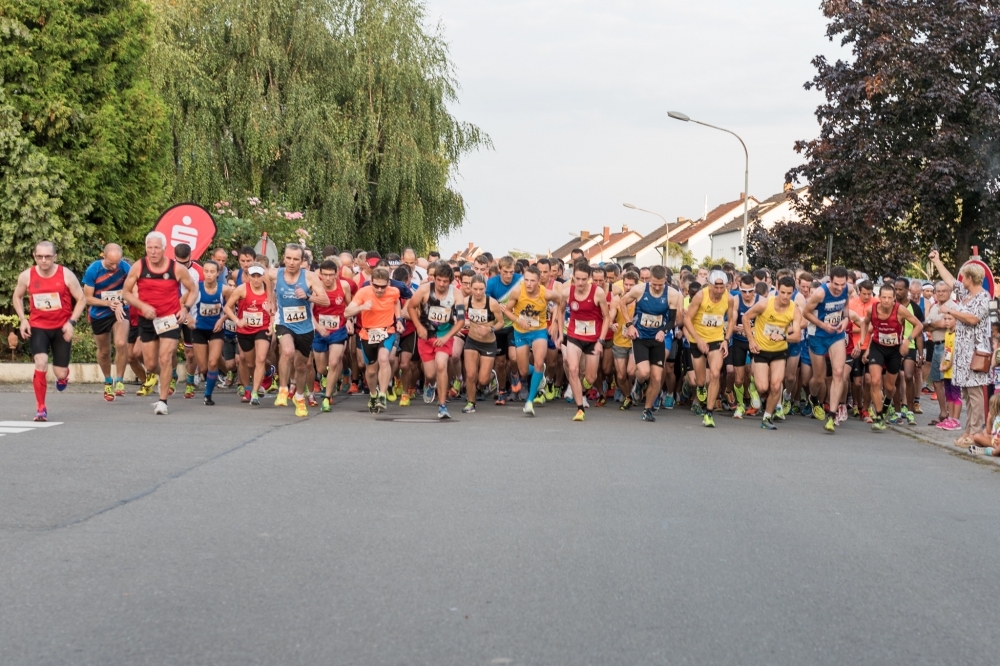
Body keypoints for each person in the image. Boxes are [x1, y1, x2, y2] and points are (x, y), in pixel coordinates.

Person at [122, 232, 198, 415]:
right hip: (147, 319)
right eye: (149, 247)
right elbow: (126, 292)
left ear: (164, 249)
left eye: (156, 247)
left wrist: (185, 308)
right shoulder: (139, 266)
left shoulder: (176, 268)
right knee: (150, 364)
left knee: (165, 358)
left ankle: (162, 401)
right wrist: (142, 306)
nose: (153, 251)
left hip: (170, 318)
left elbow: (193, 289)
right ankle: (167, 375)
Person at [11, 241, 86, 422]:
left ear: (55, 257)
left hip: (61, 327)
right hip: (39, 327)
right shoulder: (27, 276)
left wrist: (71, 322)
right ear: (34, 256)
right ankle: (41, 408)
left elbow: (81, 298)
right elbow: (17, 296)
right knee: (41, 362)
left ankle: (63, 377)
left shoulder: (66, 275)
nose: (43, 261)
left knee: (60, 372)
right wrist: (23, 319)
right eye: (39, 257)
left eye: (48, 257)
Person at [929, 250, 991, 446]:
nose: (960, 279)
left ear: (970, 278)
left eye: (964, 276)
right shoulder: (966, 293)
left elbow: (973, 319)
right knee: (966, 392)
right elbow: (949, 281)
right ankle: (968, 429)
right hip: (962, 351)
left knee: (974, 393)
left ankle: (975, 432)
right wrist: (937, 260)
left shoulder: (983, 296)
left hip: (975, 350)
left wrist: (950, 310)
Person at [269, 243, 330, 417]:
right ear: (284, 258)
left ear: (302, 260)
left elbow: (325, 300)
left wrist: (308, 296)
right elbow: (267, 278)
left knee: (302, 366)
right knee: (287, 352)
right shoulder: (275, 273)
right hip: (284, 322)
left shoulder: (310, 277)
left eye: (296, 259)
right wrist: (270, 300)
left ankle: (300, 397)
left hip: (305, 326)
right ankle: (282, 389)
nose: (291, 262)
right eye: (288, 258)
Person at [620, 265, 682, 422]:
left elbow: (672, 320)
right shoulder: (640, 289)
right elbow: (622, 303)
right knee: (644, 372)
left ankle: (647, 409)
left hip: (657, 339)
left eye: (660, 284)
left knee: (656, 377)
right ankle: (639, 384)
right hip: (640, 337)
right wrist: (629, 325)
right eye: (654, 284)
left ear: (665, 281)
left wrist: (664, 331)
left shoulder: (672, 294)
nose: (656, 287)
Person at [859, 284, 924, 431]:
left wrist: (907, 340)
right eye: (884, 297)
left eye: (890, 297)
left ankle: (888, 401)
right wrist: (862, 340)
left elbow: (919, 325)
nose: (887, 301)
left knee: (889, 387)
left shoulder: (900, 310)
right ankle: (879, 415)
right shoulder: (873, 309)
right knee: (875, 381)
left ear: (894, 298)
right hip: (877, 347)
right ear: (879, 297)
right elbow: (865, 323)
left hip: (895, 351)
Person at [500, 265, 563, 416]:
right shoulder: (517, 291)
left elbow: (561, 302)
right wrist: (518, 320)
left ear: (538, 281)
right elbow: (507, 311)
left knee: (539, 362)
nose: (528, 284)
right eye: (526, 280)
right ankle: (538, 374)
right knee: (523, 370)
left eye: (532, 281)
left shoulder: (546, 294)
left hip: (538, 331)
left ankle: (529, 401)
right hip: (521, 332)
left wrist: (555, 323)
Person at [743, 275, 802, 429]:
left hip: (779, 352)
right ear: (777, 288)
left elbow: (797, 336)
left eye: (789, 293)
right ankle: (754, 385)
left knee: (776, 386)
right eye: (782, 292)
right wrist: (751, 340)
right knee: (763, 387)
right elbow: (746, 318)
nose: (785, 296)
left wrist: (782, 336)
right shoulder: (765, 304)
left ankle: (767, 417)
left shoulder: (794, 309)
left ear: (793, 292)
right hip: (761, 349)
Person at [408, 263, 465, 420]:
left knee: (441, 365)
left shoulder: (457, 294)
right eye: (439, 280)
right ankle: (431, 384)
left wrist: (447, 337)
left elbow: (460, 320)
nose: (441, 284)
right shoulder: (425, 290)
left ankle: (442, 406)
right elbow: (411, 307)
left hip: (444, 336)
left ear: (451, 281)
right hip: (426, 337)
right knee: (430, 374)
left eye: (445, 281)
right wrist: (418, 326)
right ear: (434, 278)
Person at [344, 267, 403, 414]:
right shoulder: (363, 293)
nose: (379, 290)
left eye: (383, 286)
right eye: (376, 286)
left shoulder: (394, 292)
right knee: (370, 371)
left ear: (388, 283)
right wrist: (362, 307)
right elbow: (346, 312)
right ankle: (373, 394)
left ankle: (382, 395)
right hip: (367, 334)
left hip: (387, 331)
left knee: (384, 359)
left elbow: (396, 302)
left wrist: (399, 319)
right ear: (371, 283)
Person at [802, 266, 850, 433]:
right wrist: (823, 325)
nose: (839, 288)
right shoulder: (820, 293)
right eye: (836, 284)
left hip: (836, 334)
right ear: (830, 280)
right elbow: (806, 313)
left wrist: (845, 319)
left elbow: (846, 306)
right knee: (819, 378)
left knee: (838, 371)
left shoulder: (847, 289)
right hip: (818, 335)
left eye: (842, 284)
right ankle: (813, 397)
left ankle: (831, 416)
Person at [561, 262, 611, 422]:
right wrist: (558, 327)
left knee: (590, 377)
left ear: (589, 278)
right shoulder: (567, 292)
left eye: (583, 279)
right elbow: (560, 309)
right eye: (577, 279)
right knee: (573, 369)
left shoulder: (598, 293)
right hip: (574, 336)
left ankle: (580, 389)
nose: (580, 283)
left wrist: (600, 341)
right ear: (572, 277)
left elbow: (607, 317)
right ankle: (579, 408)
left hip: (593, 339)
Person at [82, 243, 131, 402]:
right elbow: (87, 298)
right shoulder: (93, 270)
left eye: (117, 263)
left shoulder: (125, 268)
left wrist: (121, 302)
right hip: (100, 313)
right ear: (103, 255)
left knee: (121, 342)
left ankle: (120, 380)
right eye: (111, 263)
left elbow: (133, 290)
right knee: (104, 351)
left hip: (120, 310)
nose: (114, 266)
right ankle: (108, 380)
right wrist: (109, 303)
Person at [684, 270, 731, 427]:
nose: (719, 291)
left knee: (716, 373)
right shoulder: (700, 296)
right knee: (701, 380)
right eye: (716, 287)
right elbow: (687, 318)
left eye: (722, 287)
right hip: (697, 339)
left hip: (716, 339)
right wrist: (697, 339)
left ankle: (709, 413)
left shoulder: (729, 298)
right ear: (710, 285)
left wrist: (726, 340)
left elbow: (732, 320)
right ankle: (700, 386)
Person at [223, 263, 271, 405]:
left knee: (261, 359)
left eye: (259, 276)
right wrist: (237, 321)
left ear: (263, 276)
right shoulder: (242, 289)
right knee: (250, 363)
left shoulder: (269, 291)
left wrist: (272, 325)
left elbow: (274, 309)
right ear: (248, 276)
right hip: (245, 330)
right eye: (253, 276)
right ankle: (251, 386)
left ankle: (255, 392)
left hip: (262, 328)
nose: (256, 279)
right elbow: (227, 307)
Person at [311, 258, 353, 412]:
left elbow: (349, 306)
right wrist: (317, 326)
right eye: (325, 275)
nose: (328, 278)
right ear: (320, 275)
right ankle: (326, 378)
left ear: (337, 274)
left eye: (331, 275)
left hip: (338, 330)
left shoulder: (344, 286)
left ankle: (327, 398)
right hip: (319, 331)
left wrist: (349, 320)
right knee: (322, 368)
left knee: (334, 362)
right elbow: (308, 311)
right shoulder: (314, 288)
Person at [461, 274, 505, 413]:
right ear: (470, 288)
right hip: (472, 341)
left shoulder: (491, 303)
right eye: (475, 289)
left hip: (488, 343)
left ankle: (490, 377)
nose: (478, 292)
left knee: (482, 380)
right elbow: (459, 318)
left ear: (485, 288)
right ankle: (471, 402)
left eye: (481, 289)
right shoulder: (465, 301)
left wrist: (489, 329)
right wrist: (463, 322)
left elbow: (501, 322)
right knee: (470, 374)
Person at [191, 260, 231, 405]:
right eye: (206, 271)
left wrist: (222, 320)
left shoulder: (225, 289)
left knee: (213, 362)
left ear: (218, 273)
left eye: (212, 272)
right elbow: (182, 302)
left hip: (216, 330)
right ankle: (219, 376)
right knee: (203, 367)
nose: (208, 274)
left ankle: (208, 395)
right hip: (199, 329)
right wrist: (188, 317)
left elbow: (231, 308)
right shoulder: (196, 288)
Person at [485, 256, 523, 405]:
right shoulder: (492, 283)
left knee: (513, 358)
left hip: (514, 325)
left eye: (511, 272)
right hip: (499, 325)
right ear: (499, 269)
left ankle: (514, 374)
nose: (508, 275)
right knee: (500, 363)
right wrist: (496, 305)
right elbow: (486, 302)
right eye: (505, 272)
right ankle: (502, 391)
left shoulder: (521, 280)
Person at [936, 312, 962, 430]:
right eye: (945, 318)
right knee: (949, 395)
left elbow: (955, 353)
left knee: (956, 395)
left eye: (949, 319)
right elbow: (947, 350)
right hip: (947, 369)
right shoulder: (947, 333)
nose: (946, 321)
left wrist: (948, 365)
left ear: (956, 320)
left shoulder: (957, 334)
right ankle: (950, 418)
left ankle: (956, 419)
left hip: (954, 370)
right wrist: (942, 363)